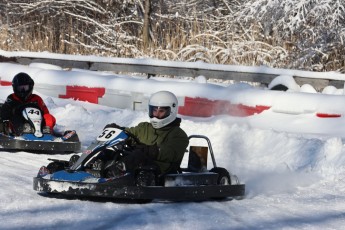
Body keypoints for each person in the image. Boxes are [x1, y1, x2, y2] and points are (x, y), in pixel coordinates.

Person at [104, 90, 189, 176]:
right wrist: (117, 130)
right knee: (109, 153)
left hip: (159, 172)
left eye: (161, 111)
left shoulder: (179, 135)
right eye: (154, 110)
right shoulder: (144, 127)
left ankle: (111, 176)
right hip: (137, 163)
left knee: (138, 155)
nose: (156, 114)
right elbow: (130, 133)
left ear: (171, 111)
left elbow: (171, 153)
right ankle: (96, 169)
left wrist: (150, 150)